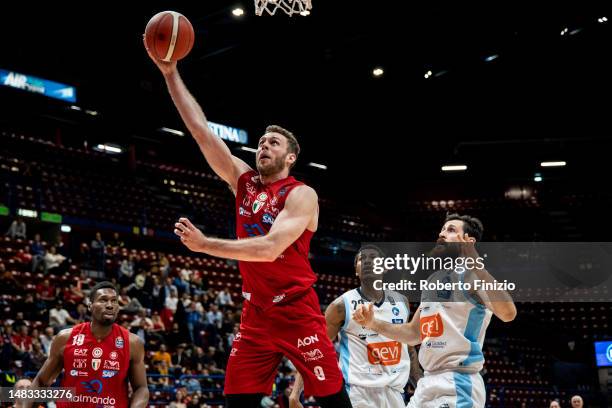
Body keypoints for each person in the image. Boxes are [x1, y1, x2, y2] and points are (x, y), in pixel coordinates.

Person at [145, 42, 350, 408]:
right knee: (237, 401)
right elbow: (201, 132)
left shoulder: (301, 194)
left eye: (273, 143)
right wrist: (171, 73)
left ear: (289, 156)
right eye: (260, 142)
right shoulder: (243, 180)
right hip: (255, 313)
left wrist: (205, 244)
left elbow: (270, 248)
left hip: (297, 310)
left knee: (332, 399)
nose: (263, 147)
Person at [354, 214, 517, 408]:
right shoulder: (433, 280)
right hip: (427, 383)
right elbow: (414, 334)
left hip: (458, 382)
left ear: (469, 241)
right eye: (442, 229)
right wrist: (373, 323)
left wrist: (477, 264)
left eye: (451, 230)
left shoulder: (475, 276)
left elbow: (508, 313)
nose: (441, 234)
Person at [291, 246, 422, 408]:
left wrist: (421, 386)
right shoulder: (341, 306)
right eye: (362, 259)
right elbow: (316, 349)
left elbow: (408, 348)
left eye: (373, 258)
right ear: (356, 272)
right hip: (358, 395)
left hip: (394, 394)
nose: (367, 262)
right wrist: (295, 393)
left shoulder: (401, 301)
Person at [30, 281, 149, 407]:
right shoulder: (65, 338)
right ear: (90, 306)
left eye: (114, 301)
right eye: (103, 300)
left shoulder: (133, 343)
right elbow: (41, 382)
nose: (110, 305)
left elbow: (141, 389)